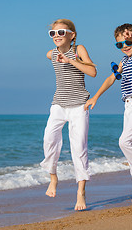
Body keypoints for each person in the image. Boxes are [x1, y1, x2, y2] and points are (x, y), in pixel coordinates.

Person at [84, 23, 132, 203]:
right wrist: (96, 97)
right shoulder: (124, 62)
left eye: (127, 42)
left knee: (125, 142)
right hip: (129, 106)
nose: (125, 47)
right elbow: (110, 79)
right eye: (119, 45)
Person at [40, 19, 97, 211]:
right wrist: (58, 57)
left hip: (79, 105)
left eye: (61, 32)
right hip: (58, 104)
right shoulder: (51, 53)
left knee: (78, 147)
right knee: (49, 139)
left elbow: (92, 71)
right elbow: (49, 55)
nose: (56, 36)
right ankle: (53, 178)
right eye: (53, 33)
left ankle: (80, 192)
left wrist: (70, 60)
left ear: (71, 35)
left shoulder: (79, 49)